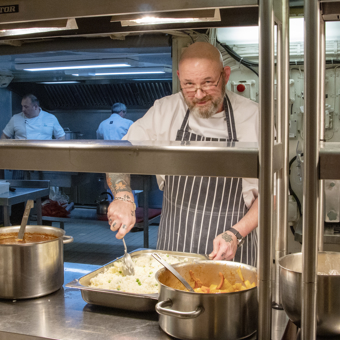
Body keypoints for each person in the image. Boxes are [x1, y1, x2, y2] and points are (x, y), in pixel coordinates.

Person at [106, 42, 259, 266]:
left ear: (225, 75)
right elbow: (119, 154)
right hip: (174, 248)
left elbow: (272, 193)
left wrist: (234, 234)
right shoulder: (164, 111)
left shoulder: (253, 117)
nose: (199, 94)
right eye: (189, 84)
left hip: (234, 249)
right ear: (179, 78)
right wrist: (122, 194)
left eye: (208, 83)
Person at [1, 94, 65, 141]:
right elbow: (4, 136)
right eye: (22, 106)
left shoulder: (50, 118)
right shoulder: (15, 118)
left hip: (45, 155)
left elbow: (61, 137)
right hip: (21, 155)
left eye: (26, 107)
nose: (23, 109)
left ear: (35, 107)